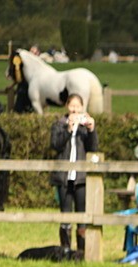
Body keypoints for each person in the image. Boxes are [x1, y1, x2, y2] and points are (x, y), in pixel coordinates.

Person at [49, 94, 97, 253]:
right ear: (67, 107)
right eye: (72, 106)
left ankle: (82, 251)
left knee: (82, 215)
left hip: (81, 178)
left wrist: (92, 130)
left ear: (82, 108)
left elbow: (93, 149)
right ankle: (65, 250)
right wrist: (68, 129)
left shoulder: (84, 127)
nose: (75, 110)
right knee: (65, 215)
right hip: (64, 177)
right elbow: (55, 145)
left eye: (78, 106)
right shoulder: (58, 125)